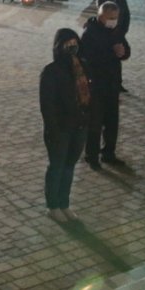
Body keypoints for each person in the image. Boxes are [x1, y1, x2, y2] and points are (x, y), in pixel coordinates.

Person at [40, 28, 90, 223]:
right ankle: (53, 206)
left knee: (69, 166)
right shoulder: (51, 71)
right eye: (68, 44)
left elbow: (88, 95)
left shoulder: (82, 67)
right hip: (60, 128)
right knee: (57, 166)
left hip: (79, 126)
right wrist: (53, 129)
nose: (72, 47)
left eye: (74, 43)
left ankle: (64, 203)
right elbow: (47, 105)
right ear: (59, 47)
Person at [80, 1, 130, 170]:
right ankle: (91, 155)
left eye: (116, 18)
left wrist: (123, 52)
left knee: (112, 122)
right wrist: (112, 52)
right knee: (95, 123)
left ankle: (109, 153)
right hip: (96, 85)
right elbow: (87, 59)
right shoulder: (90, 33)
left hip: (112, 85)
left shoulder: (116, 31)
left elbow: (125, 49)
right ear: (101, 16)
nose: (113, 21)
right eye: (110, 18)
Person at [96, 0, 130, 93]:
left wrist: (123, 31)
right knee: (108, 58)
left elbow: (126, 15)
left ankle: (118, 83)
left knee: (117, 59)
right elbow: (102, 16)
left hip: (119, 33)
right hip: (107, 33)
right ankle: (108, 82)